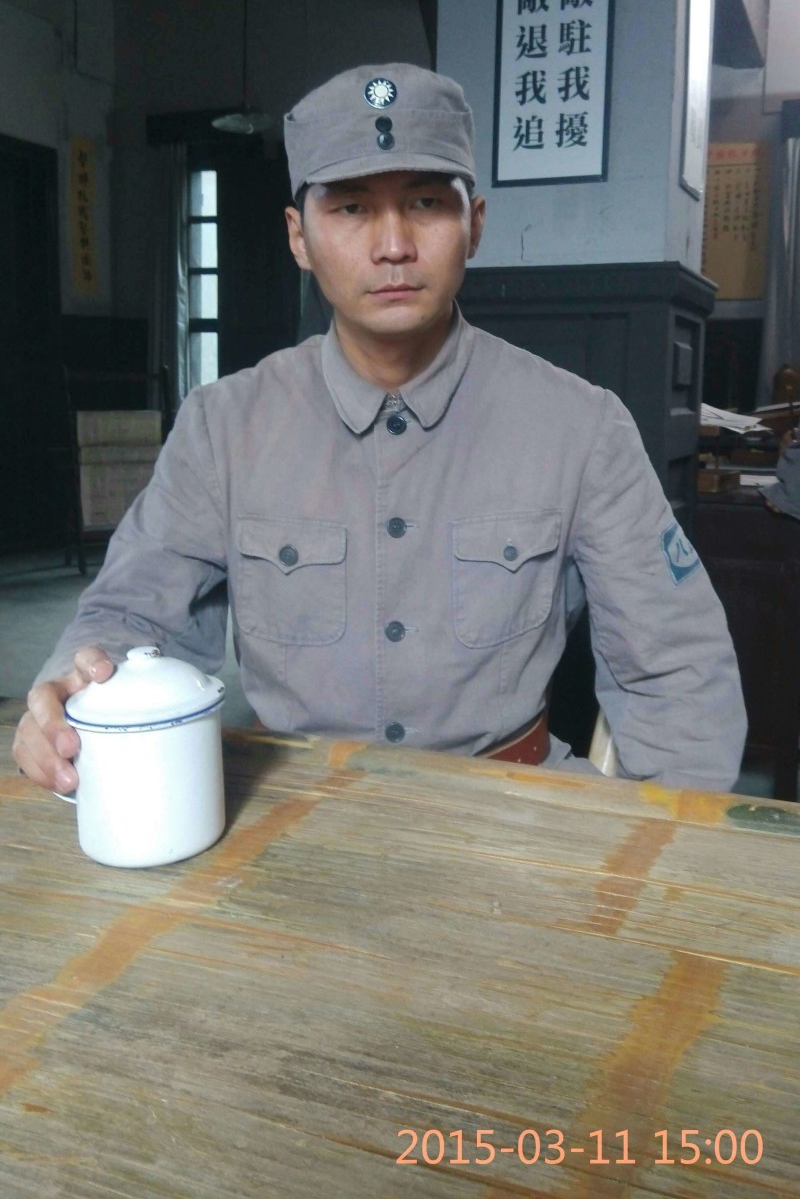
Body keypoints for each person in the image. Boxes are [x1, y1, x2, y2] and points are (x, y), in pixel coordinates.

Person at [14, 62, 747, 795]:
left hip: (516, 815)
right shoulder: (221, 428)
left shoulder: (581, 427)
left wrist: (659, 847)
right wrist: (73, 688)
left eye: (426, 202)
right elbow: (129, 615)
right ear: (299, 237)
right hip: (288, 813)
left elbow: (678, 669)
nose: (393, 244)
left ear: (475, 224)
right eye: (352, 208)